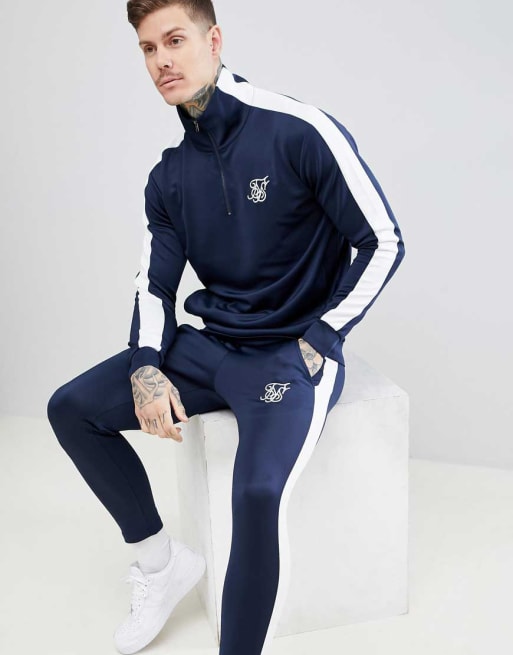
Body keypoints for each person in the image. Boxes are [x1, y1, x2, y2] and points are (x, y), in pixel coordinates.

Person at [46, 1, 405, 654]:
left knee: (257, 492)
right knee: (72, 408)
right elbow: (154, 285)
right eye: (148, 48)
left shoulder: (297, 130)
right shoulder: (169, 176)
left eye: (175, 40)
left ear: (213, 40)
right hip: (211, 350)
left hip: (286, 358)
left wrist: (322, 337)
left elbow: (382, 240)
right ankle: (161, 565)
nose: (162, 61)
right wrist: (146, 365)